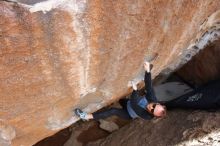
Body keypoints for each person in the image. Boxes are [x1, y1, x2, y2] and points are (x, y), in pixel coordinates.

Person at [74, 61, 166, 121]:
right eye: (154, 106)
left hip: (128, 113)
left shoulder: (147, 116)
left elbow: (134, 104)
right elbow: (149, 86)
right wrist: (148, 71)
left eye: (152, 110)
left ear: (152, 114)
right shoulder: (153, 99)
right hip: (128, 102)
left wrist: (135, 90)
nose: (151, 107)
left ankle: (87, 116)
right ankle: (118, 101)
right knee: (120, 100)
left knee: (113, 111)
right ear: (158, 104)